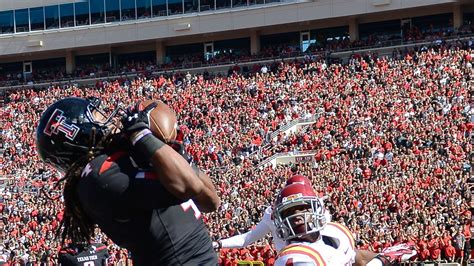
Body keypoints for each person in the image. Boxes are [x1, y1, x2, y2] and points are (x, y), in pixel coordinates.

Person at [36, 97, 220, 265]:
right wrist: (142, 136)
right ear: (77, 134)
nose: (107, 119)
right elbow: (190, 186)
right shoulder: (99, 177)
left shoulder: (115, 159)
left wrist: (174, 150)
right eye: (96, 115)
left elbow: (211, 201)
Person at [273, 183, 417, 266]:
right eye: (289, 213)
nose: (297, 216)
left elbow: (357, 257)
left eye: (303, 208)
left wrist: (388, 255)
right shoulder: (294, 256)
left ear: (317, 209)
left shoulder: (333, 235)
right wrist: (381, 260)